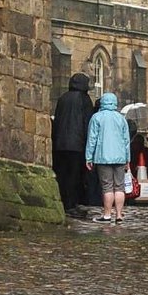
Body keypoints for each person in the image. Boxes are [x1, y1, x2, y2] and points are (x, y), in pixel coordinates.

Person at [85, 88, 133, 225]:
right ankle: (119, 215)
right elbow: (126, 140)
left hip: (103, 157)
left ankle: (107, 215)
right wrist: (128, 159)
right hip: (120, 157)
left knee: (107, 187)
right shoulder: (121, 118)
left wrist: (88, 157)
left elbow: (92, 139)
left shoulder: (96, 117)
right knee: (119, 187)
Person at [51, 72, 92, 213]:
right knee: (74, 175)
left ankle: (63, 202)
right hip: (77, 144)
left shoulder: (62, 98)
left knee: (62, 173)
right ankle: (71, 204)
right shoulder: (84, 99)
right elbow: (87, 123)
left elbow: (57, 120)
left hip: (60, 143)